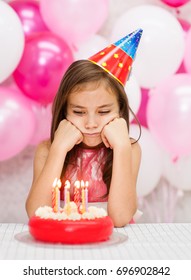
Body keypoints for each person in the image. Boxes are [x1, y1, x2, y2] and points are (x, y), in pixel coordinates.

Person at [26, 29, 143, 227]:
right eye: (79, 112)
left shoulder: (129, 149)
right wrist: (58, 149)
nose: (91, 123)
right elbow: (37, 213)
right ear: (64, 112)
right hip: (64, 243)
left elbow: (120, 218)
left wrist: (122, 147)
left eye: (104, 111)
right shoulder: (47, 150)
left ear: (120, 110)